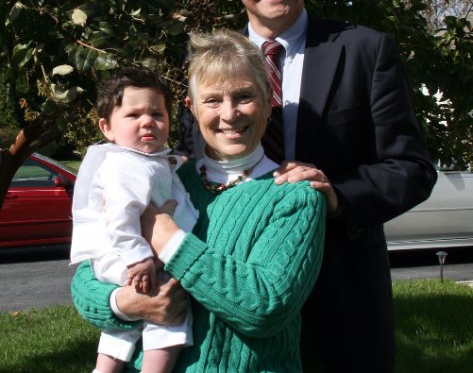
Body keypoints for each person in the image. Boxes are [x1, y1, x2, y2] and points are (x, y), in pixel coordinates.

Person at [178, 0, 438, 372]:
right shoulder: (208, 66)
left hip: (340, 298)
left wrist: (336, 196)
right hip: (230, 305)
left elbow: (411, 168)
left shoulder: (364, 50)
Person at [71, 29, 327, 372]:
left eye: (244, 97)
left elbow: (266, 307)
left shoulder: (293, 196)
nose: (230, 113)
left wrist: (169, 239)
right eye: (213, 100)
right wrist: (126, 304)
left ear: (269, 102)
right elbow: (86, 280)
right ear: (191, 108)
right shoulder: (168, 180)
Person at [70, 67, 199, 373]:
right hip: (127, 255)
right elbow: (120, 217)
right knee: (169, 306)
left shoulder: (144, 160)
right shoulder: (125, 165)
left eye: (157, 114)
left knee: (125, 323)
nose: (147, 122)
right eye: (133, 115)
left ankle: (105, 368)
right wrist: (138, 257)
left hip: (123, 255)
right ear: (107, 128)